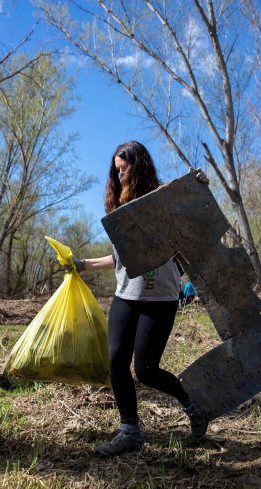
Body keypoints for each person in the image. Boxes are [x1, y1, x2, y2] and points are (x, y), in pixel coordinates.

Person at [71, 140, 208, 457]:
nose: (120, 176)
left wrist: (199, 187)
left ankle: (191, 404)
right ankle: (130, 432)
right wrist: (83, 265)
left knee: (146, 370)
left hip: (160, 297)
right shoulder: (120, 211)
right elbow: (119, 259)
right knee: (116, 360)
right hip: (126, 295)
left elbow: (195, 220)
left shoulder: (164, 198)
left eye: (124, 169)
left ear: (140, 165)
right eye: (116, 171)